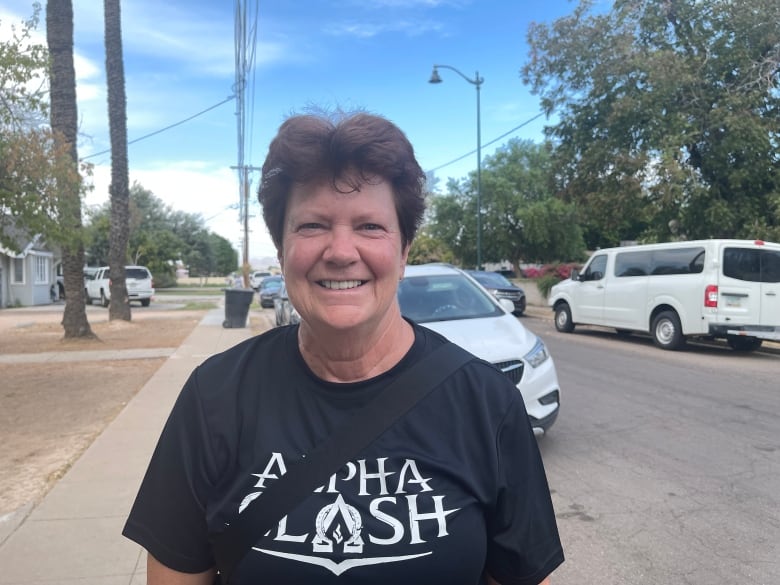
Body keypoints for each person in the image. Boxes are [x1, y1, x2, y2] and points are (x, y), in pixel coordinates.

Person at [122, 111, 564, 585]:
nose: (340, 250)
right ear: (282, 245)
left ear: (404, 247)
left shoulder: (486, 403)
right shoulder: (214, 397)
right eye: (312, 225)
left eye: (370, 227)